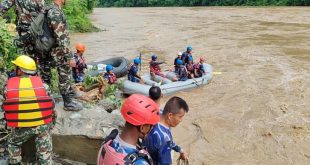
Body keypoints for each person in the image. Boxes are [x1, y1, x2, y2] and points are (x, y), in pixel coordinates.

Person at [2, 55, 55, 164]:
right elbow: (51, 106)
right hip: (42, 126)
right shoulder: (44, 86)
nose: (14, 69)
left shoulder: (8, 87)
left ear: (20, 70)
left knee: (12, 142)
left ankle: (16, 162)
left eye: (15, 67)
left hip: (22, 127)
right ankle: (45, 160)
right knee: (44, 147)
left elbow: (7, 104)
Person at [41, 0, 83, 111]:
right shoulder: (55, 12)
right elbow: (61, 37)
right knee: (65, 74)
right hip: (57, 51)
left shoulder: (49, 9)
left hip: (48, 49)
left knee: (46, 75)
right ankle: (68, 103)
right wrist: (69, 56)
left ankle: (47, 101)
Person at [97, 94, 160, 165]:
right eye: (151, 126)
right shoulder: (140, 162)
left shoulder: (108, 142)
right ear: (142, 128)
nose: (151, 129)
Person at [143, 96, 189, 165]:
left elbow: (169, 142)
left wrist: (180, 150)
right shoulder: (164, 140)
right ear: (170, 115)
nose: (181, 120)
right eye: (180, 117)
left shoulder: (158, 114)